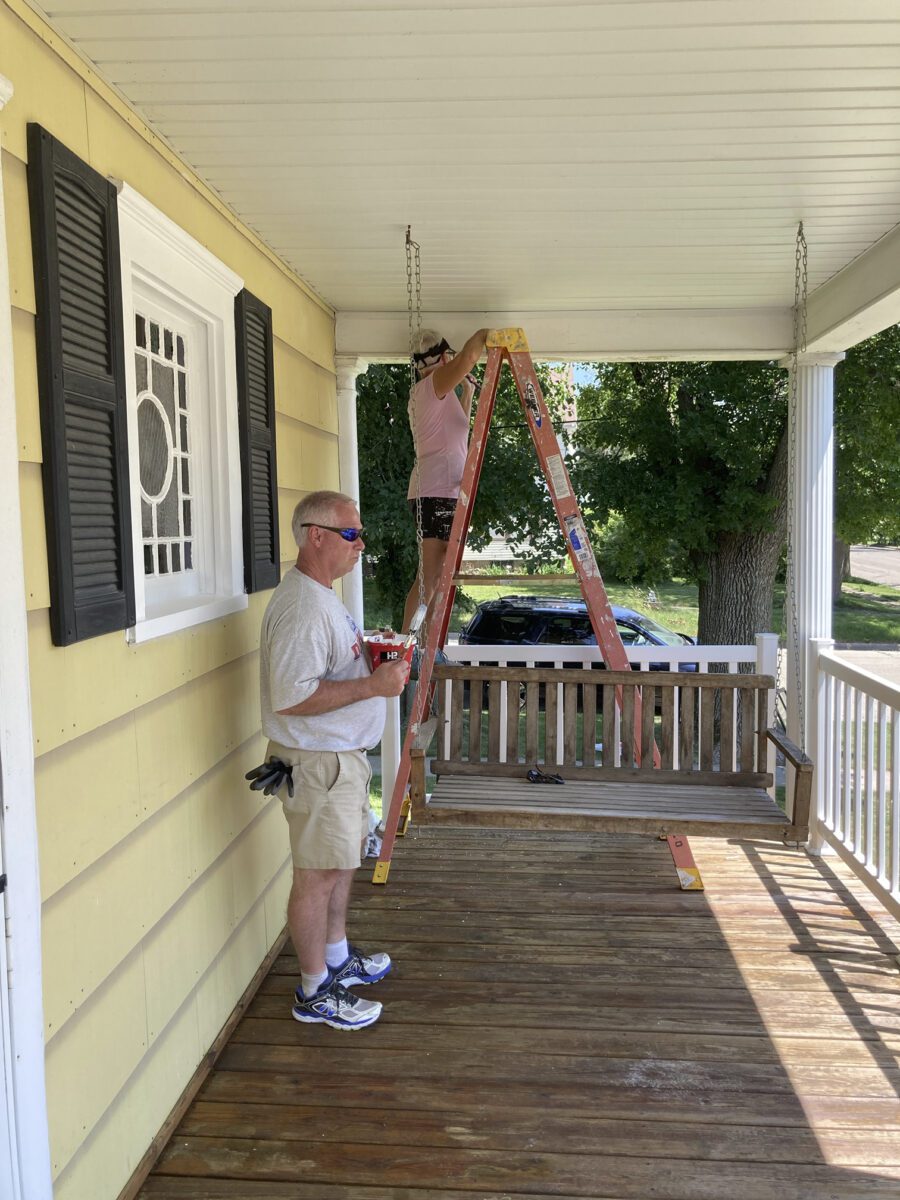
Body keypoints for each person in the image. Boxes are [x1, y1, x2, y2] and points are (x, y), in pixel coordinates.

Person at [259, 490, 409, 1030]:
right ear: (315, 536)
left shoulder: (321, 595)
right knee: (316, 875)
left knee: (338, 863)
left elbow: (322, 667)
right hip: (318, 765)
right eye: (351, 534)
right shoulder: (302, 607)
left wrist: (370, 653)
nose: (361, 544)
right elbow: (291, 695)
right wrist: (373, 683)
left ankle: (338, 959)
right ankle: (313, 989)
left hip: (338, 762)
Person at [401, 327, 491, 633]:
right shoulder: (433, 386)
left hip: (440, 491)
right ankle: (409, 646)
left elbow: (457, 433)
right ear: (442, 357)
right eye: (448, 355)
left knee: (438, 576)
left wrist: (466, 393)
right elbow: (468, 357)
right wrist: (484, 333)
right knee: (429, 577)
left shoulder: (438, 393)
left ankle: (424, 646)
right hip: (435, 491)